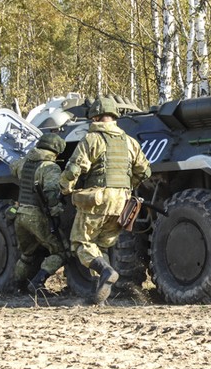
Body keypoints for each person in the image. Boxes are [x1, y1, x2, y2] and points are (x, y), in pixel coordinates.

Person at [59, 97, 151, 304]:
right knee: (101, 246)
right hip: (122, 201)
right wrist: (126, 187)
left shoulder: (92, 139)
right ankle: (100, 296)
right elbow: (144, 171)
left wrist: (65, 188)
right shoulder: (130, 141)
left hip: (98, 199)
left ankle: (106, 271)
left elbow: (75, 169)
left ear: (96, 116)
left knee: (82, 242)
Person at [9, 133, 68, 296]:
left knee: (27, 254)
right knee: (60, 252)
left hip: (20, 215)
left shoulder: (24, 163)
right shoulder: (50, 167)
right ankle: (38, 282)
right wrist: (57, 213)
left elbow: (13, 167)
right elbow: (51, 192)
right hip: (36, 216)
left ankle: (18, 286)